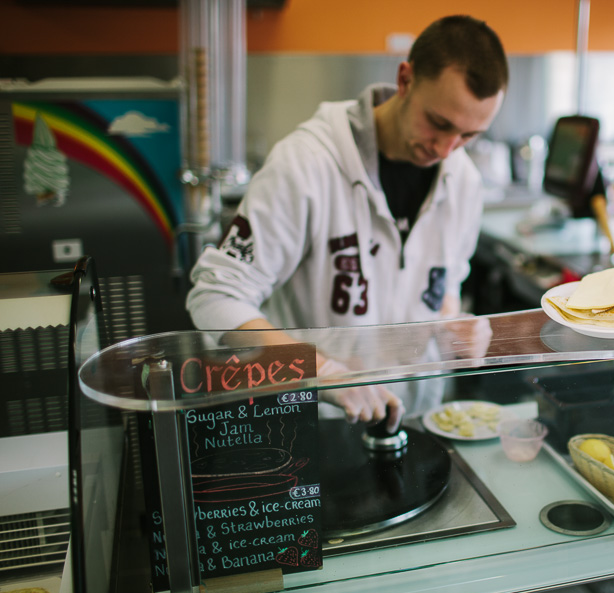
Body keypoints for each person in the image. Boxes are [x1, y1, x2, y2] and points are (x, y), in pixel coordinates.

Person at [186, 15, 507, 431]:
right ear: (405, 79)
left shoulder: (464, 181)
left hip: (418, 421)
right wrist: (325, 372)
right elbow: (215, 296)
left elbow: (443, 285)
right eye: (439, 123)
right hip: (319, 426)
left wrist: (456, 327)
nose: (447, 149)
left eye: (469, 135)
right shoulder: (306, 164)